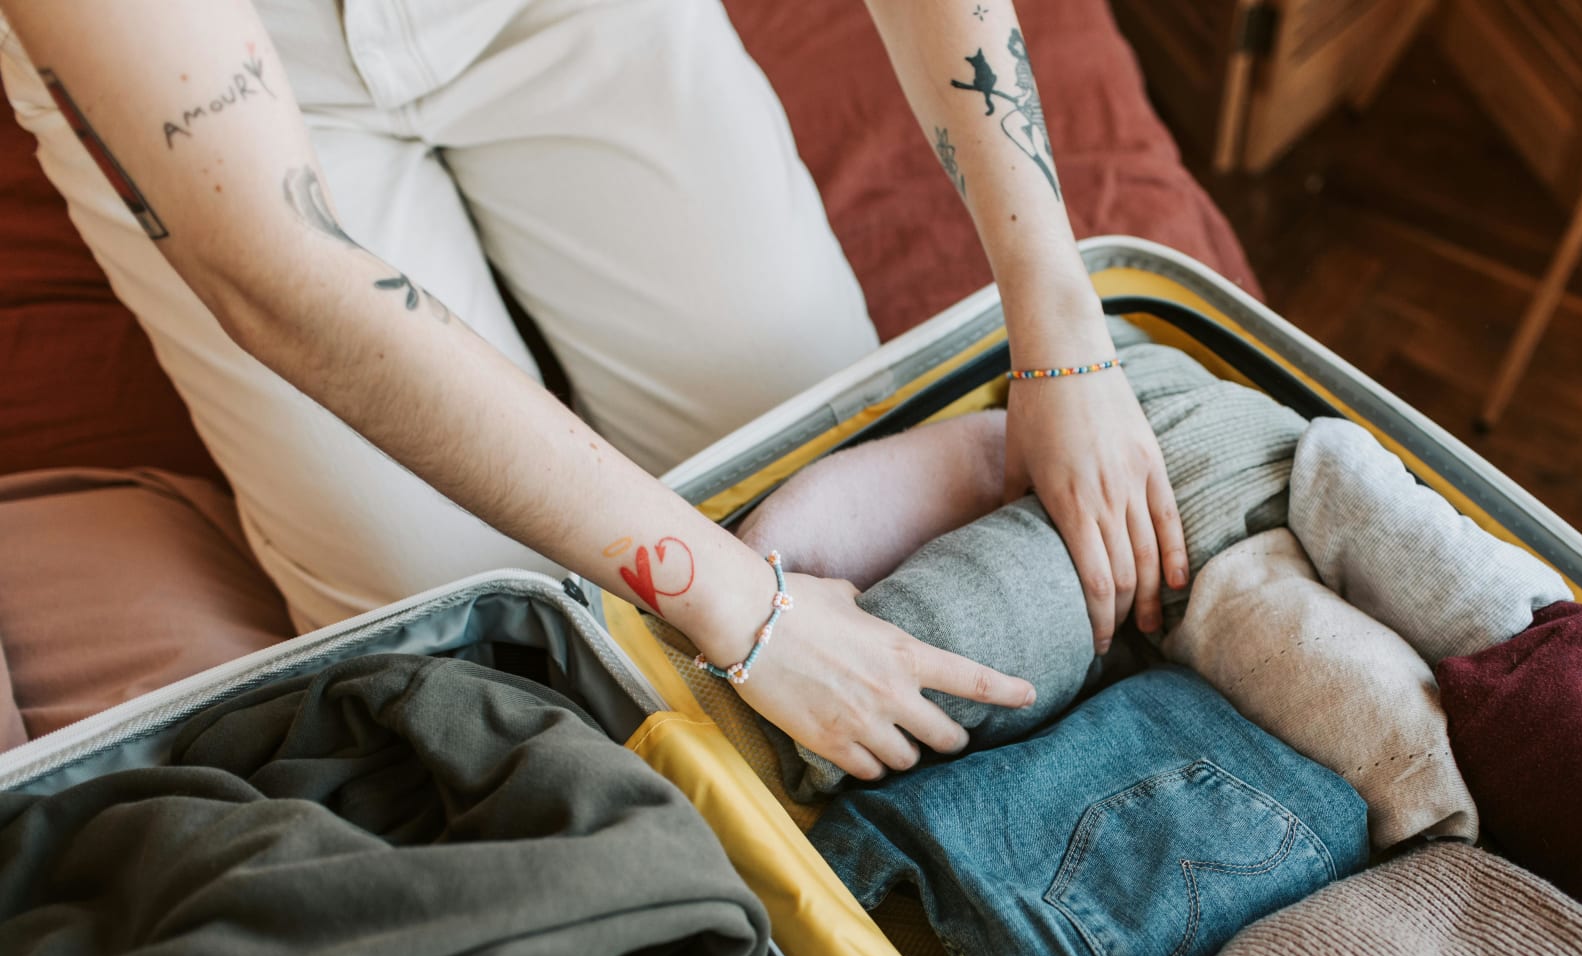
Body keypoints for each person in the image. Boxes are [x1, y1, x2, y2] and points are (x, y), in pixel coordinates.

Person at [0, 0, 1189, 783]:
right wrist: (743, 611)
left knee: (820, 457)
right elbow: (279, 270)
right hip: (223, 87)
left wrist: (1059, 322)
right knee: (464, 648)